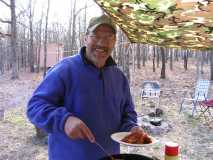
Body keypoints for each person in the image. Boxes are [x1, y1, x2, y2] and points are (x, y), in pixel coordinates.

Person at [27, 14, 143, 160]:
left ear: (114, 41)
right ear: (85, 38)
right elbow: (34, 107)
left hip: (110, 156)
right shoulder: (64, 70)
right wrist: (64, 121)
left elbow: (128, 113)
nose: (101, 43)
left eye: (108, 37)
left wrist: (131, 128)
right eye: (96, 36)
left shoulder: (119, 77)